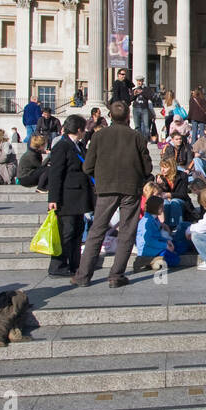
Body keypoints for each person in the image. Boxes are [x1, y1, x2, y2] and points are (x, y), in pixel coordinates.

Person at [71, 100, 154, 288]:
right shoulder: (137, 137)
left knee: (96, 231)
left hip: (106, 189)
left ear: (110, 116)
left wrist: (100, 178)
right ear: (128, 117)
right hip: (130, 189)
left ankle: (83, 276)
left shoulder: (99, 137)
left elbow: (87, 166)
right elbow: (147, 167)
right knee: (127, 232)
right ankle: (116, 276)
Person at [47, 114, 96, 277]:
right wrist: (53, 198)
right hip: (66, 198)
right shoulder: (62, 146)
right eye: (84, 129)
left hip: (79, 197)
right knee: (65, 233)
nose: (85, 132)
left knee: (77, 231)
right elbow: (55, 174)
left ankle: (75, 264)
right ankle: (58, 265)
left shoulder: (78, 146)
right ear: (78, 129)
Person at [134, 196, 179, 270]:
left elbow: (157, 236)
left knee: (177, 246)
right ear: (154, 207)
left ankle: (156, 260)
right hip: (147, 249)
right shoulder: (147, 222)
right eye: (161, 207)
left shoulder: (154, 219)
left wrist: (167, 241)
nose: (163, 209)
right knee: (175, 260)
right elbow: (148, 241)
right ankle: (149, 260)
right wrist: (165, 245)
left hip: (155, 245)